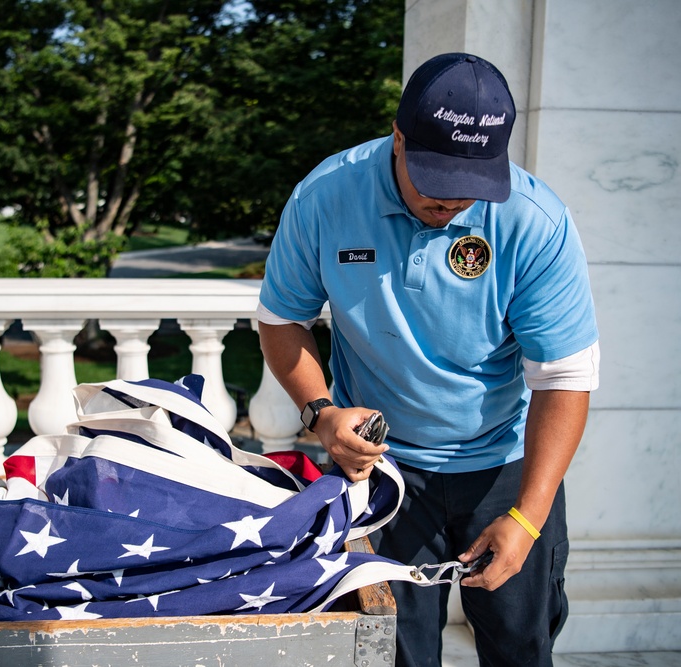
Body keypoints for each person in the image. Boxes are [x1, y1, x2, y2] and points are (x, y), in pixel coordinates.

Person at [255, 52, 599, 667]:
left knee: (522, 648)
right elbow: (282, 321)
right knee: (392, 651)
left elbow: (566, 379)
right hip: (381, 471)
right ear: (398, 138)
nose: (450, 204)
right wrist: (322, 413)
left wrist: (527, 517)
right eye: (434, 181)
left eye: (470, 188)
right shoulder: (326, 195)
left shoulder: (536, 221)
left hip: (505, 467)